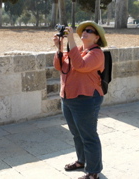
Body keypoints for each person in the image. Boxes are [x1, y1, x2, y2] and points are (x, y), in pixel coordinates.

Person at [52, 21, 107, 179]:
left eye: (89, 31)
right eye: (83, 30)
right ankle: (82, 161)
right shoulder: (78, 50)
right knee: (77, 133)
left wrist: (70, 41)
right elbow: (59, 66)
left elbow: (80, 65)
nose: (84, 32)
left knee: (88, 135)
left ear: (97, 38)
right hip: (69, 98)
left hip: (86, 99)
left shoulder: (97, 53)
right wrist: (59, 48)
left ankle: (93, 171)